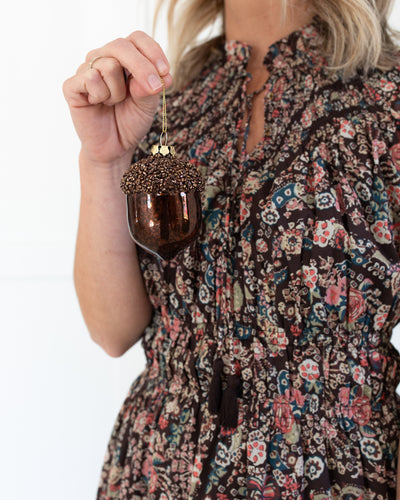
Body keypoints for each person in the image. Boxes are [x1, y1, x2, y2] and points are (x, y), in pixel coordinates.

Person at [63, 0, 400, 497]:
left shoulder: (387, 101)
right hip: (157, 471)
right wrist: (103, 161)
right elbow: (112, 330)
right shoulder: (169, 101)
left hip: (332, 478)